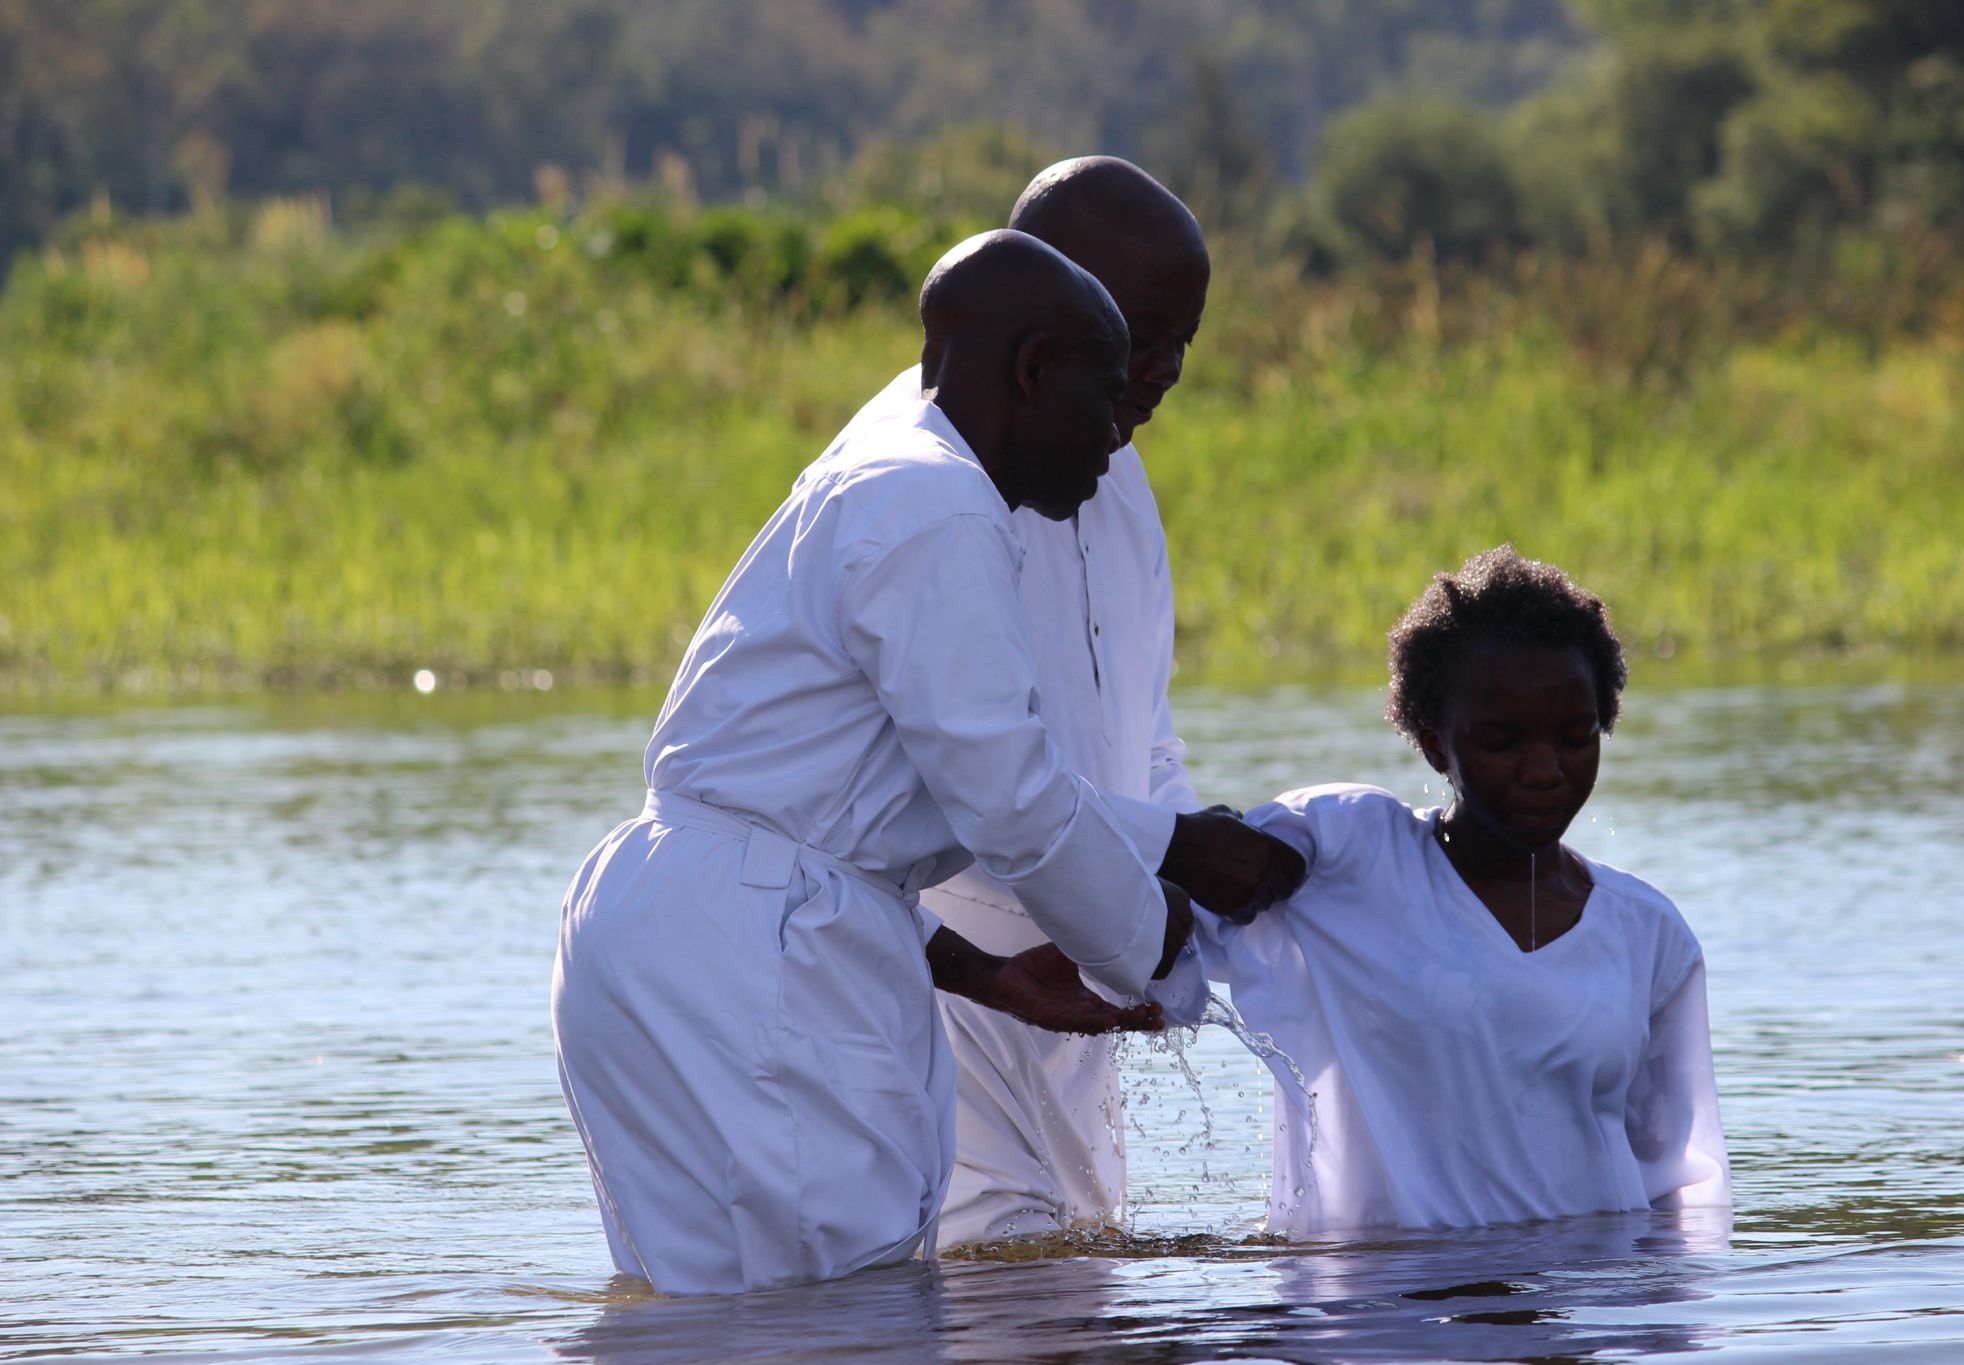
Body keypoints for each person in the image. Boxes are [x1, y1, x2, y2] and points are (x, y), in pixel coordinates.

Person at [552, 230, 1196, 1296]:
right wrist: (1160, 952)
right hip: (751, 959)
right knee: (840, 1312)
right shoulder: (936, 503)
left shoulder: (887, 473)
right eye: (1106, 398)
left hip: (691, 925)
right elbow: (1012, 802)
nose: (1115, 437)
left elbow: (815, 821)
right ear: (1032, 370)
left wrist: (980, 971)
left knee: (718, 1317)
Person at [829, 156, 1305, 1247]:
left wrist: (1194, 857)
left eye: (1184, 338)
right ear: (1041, 317)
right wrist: (1172, 867)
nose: (1165, 370)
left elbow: (1143, 735)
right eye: (1140, 334)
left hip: (1075, 967)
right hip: (947, 971)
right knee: (999, 1281)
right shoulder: (931, 484)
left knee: (1071, 1283)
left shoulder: (1114, 478)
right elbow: (992, 791)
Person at [1199, 546, 1731, 1235]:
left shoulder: (1648, 933)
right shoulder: (1350, 858)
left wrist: (1653, 1329)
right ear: (1432, 743)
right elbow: (1182, 909)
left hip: (1586, 1308)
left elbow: (1680, 1183)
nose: (1544, 770)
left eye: (1575, 737)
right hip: (1380, 1325)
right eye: (1501, 741)